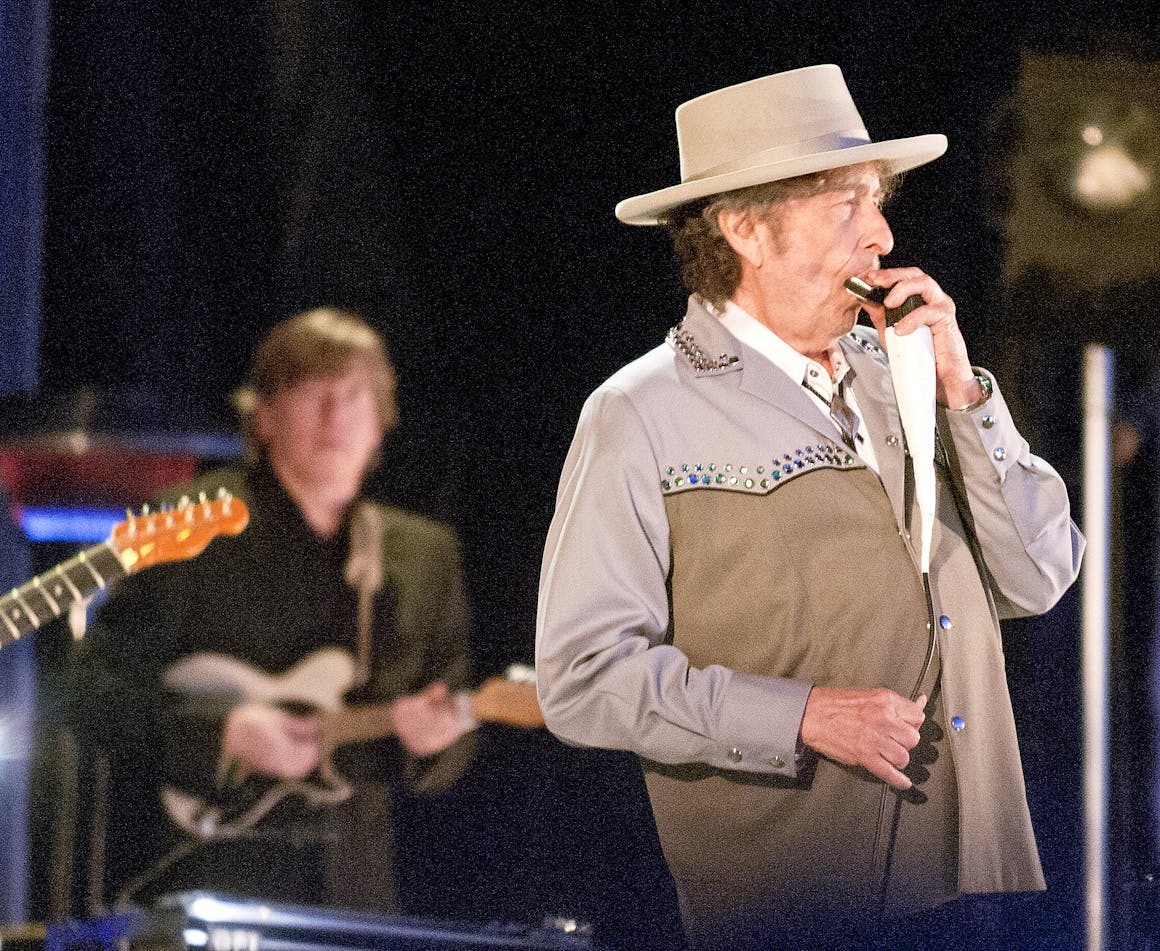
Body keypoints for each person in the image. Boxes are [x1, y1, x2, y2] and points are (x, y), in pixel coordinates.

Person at [535, 65, 1083, 949]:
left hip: (974, 885)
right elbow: (582, 678)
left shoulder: (905, 375)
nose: (882, 233)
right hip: (801, 904)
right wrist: (798, 714)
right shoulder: (642, 411)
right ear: (747, 228)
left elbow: (1042, 572)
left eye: (877, 201)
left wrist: (960, 389)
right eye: (846, 205)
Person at [70, 307, 542, 912]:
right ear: (263, 416)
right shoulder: (184, 524)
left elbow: (447, 732)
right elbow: (88, 691)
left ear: (381, 423)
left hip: (354, 886)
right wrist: (222, 731)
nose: (335, 415)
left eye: (353, 396)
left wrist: (435, 742)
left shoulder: (424, 554)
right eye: (310, 392)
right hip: (197, 871)